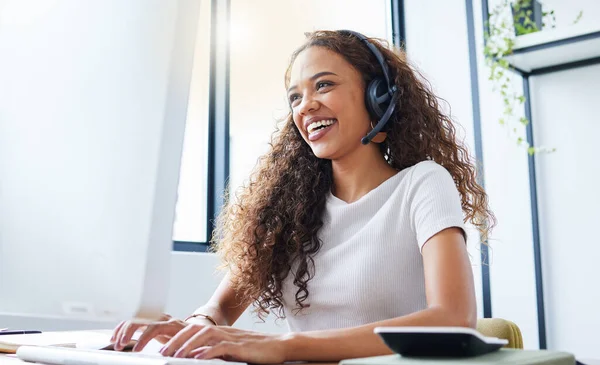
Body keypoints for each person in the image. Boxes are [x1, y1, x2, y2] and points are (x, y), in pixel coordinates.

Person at [111, 29, 495, 363]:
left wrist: (286, 346)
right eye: (295, 97)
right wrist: (196, 327)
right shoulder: (289, 209)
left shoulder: (422, 184)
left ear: (379, 97)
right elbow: (220, 310)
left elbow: (452, 318)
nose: (306, 105)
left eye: (324, 85)